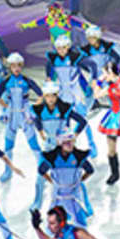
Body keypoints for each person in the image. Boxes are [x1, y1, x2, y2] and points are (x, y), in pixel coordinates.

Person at [33, 130, 96, 239]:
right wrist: (54, 183)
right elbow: (41, 170)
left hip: (73, 199)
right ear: (60, 143)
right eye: (66, 142)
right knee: (51, 229)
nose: (70, 145)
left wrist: (79, 182)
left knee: (83, 228)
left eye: (71, 142)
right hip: (59, 199)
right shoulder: (53, 157)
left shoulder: (78, 156)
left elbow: (90, 170)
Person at [32, 84, 95, 217]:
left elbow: (82, 121)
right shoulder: (40, 109)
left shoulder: (64, 108)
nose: (50, 99)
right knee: (40, 175)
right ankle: (37, 203)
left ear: (57, 95)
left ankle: (87, 205)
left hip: (65, 145)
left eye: (53, 96)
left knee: (76, 174)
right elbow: (36, 120)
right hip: (49, 146)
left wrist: (75, 135)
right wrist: (41, 132)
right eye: (47, 96)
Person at [0, 51, 44, 178]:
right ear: (10, 67)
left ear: (21, 66)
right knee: (8, 145)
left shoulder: (27, 80)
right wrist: (7, 108)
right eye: (13, 66)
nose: (16, 68)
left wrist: (33, 109)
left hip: (25, 115)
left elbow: (41, 94)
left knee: (34, 144)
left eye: (18, 65)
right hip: (12, 116)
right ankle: (7, 171)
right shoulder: (6, 81)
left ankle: (42, 169)